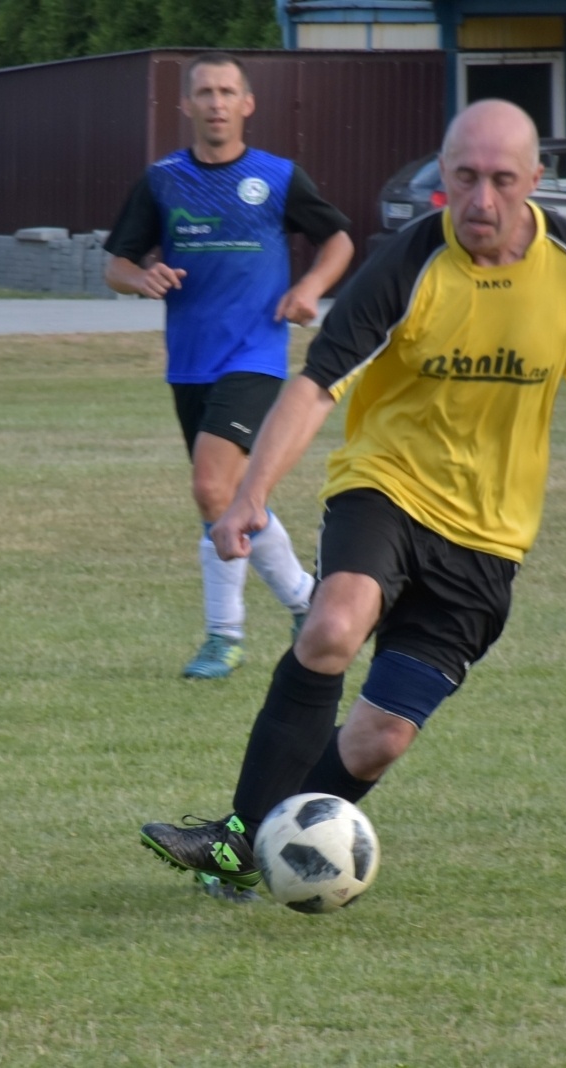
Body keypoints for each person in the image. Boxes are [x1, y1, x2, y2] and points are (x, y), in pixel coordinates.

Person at [141, 99, 566, 898]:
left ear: (535, 180)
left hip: (490, 539)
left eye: (502, 180)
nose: (481, 200)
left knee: (381, 739)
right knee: (332, 627)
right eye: (464, 177)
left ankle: (261, 850)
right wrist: (252, 492)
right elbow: (318, 384)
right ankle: (236, 839)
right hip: (386, 489)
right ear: (443, 175)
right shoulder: (408, 262)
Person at [103, 52, 354, 680]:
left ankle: (226, 635)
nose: (216, 103)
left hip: (255, 357)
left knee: (211, 487)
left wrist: (309, 288)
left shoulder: (276, 177)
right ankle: (304, 601)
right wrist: (142, 277)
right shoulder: (162, 180)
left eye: (227, 92)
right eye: (204, 92)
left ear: (247, 104)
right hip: (189, 364)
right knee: (227, 498)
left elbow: (339, 238)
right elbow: (116, 266)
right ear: (185, 105)